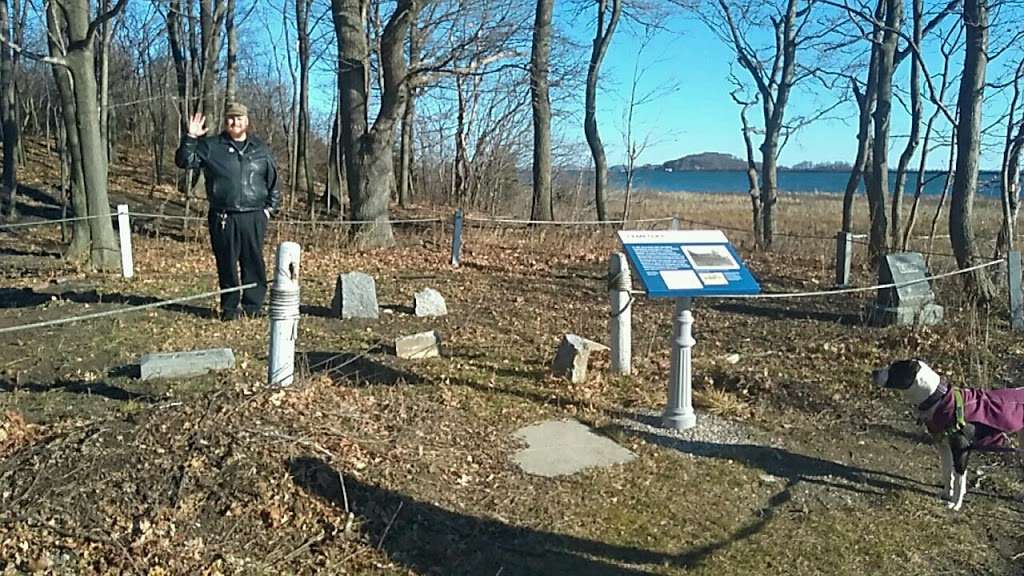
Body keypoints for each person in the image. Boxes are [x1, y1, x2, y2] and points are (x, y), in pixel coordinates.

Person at [175, 102, 280, 320]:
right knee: (227, 263)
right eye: (231, 118)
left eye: (240, 118)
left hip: (254, 216)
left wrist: (268, 210)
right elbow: (184, 161)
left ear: (247, 122)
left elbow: (274, 183)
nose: (235, 122)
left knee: (253, 262)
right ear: (226, 122)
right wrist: (191, 138)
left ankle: (253, 307)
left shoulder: (260, 150)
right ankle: (230, 308)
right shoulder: (212, 146)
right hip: (223, 216)